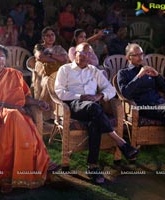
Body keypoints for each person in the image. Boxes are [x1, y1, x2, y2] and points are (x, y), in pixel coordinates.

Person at [55, 42, 139, 184]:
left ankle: (92, 166)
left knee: (95, 121)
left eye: (88, 53)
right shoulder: (65, 69)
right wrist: (80, 97)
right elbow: (59, 91)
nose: (84, 56)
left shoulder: (94, 71)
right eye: (81, 52)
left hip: (93, 108)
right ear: (75, 54)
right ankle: (120, 141)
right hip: (73, 105)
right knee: (94, 109)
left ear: (91, 56)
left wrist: (99, 96)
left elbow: (110, 90)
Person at [0, 44, 56, 193]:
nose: (0, 59)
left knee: (15, 117)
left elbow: (24, 98)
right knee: (14, 115)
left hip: (16, 113)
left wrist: (39, 102)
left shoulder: (14, 74)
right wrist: (11, 107)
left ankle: (11, 177)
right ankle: (36, 163)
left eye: (2, 56)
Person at [117, 43, 165, 174]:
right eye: (136, 55)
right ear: (128, 58)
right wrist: (139, 76)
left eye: (141, 54)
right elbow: (125, 93)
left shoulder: (149, 70)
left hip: (160, 105)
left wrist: (157, 75)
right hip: (143, 108)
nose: (140, 57)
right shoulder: (123, 73)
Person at [33, 26, 68, 119]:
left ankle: (59, 113)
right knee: (49, 81)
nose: (50, 37)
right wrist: (55, 60)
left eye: (52, 35)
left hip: (57, 73)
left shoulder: (58, 48)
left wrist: (51, 55)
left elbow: (64, 58)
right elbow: (40, 57)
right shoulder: (39, 47)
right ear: (43, 37)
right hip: (42, 75)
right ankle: (45, 114)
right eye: (47, 35)